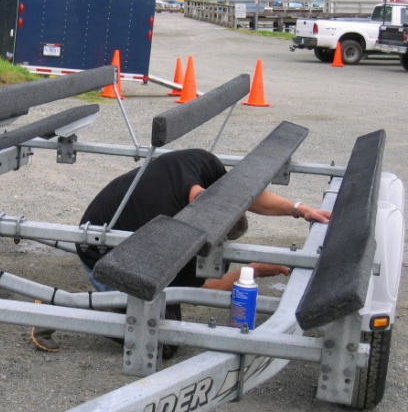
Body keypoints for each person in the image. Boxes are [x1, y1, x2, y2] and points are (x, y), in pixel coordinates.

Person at [31, 149, 331, 354]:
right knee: (160, 341)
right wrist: (251, 271)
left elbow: (248, 195)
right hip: (99, 251)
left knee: (191, 286)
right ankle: (61, 307)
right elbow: (206, 289)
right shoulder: (173, 235)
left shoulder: (200, 164)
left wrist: (298, 209)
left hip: (109, 221)